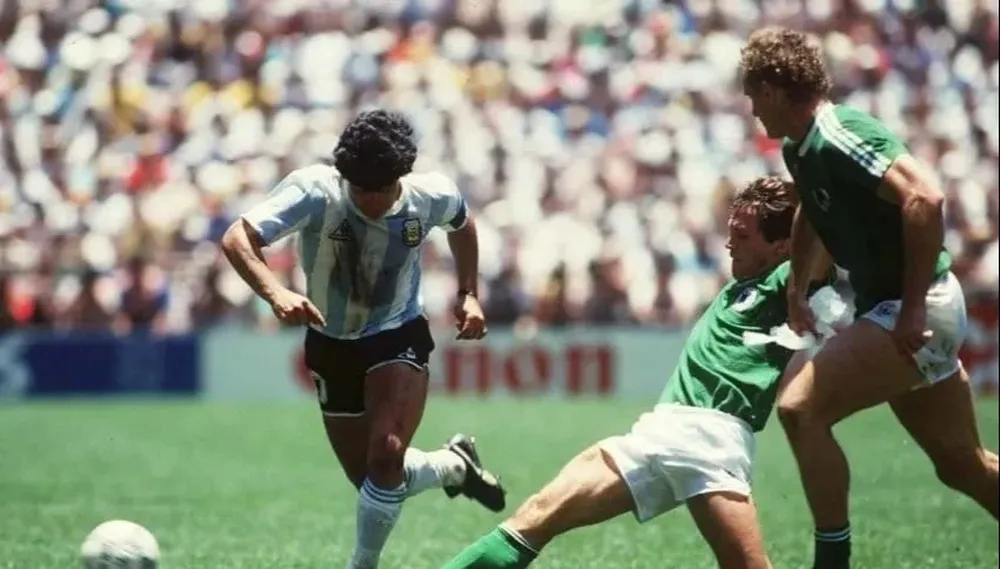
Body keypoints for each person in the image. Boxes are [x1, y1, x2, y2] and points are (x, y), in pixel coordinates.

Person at [439, 177, 833, 569]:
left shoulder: (788, 280)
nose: (731, 244)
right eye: (731, 233)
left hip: (713, 440)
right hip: (659, 431)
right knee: (534, 518)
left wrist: (815, 165)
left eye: (743, 236)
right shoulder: (741, 285)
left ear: (784, 245)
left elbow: (824, 242)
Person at [739, 27, 999, 569]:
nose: (750, 106)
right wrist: (796, 287)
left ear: (776, 89)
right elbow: (811, 208)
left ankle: (832, 561)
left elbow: (924, 198)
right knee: (961, 465)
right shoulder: (801, 148)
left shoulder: (838, 134)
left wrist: (908, 310)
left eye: (753, 92)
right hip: (900, 308)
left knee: (799, 409)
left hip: (917, 307)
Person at [220, 109, 506, 569]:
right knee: (374, 480)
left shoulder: (428, 195)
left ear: (401, 177)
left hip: (398, 333)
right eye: (360, 189)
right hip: (330, 344)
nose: (370, 200)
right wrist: (275, 293)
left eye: (380, 189)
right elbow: (238, 237)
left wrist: (469, 293)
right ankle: (454, 466)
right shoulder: (315, 191)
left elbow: (463, 224)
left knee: (388, 454)